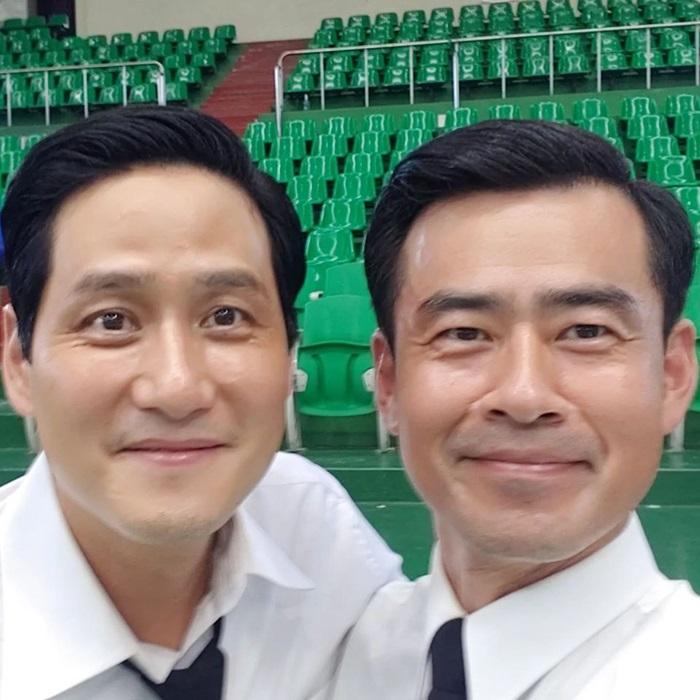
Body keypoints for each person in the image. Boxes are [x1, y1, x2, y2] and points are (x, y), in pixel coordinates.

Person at [0, 105, 402, 700]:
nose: (177, 388)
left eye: (226, 316)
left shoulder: (314, 528)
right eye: (111, 321)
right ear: (18, 360)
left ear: (288, 351)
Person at [331, 119, 700, 699]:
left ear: (672, 375)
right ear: (390, 382)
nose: (524, 396)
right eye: (463, 333)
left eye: (586, 331)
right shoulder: (336, 659)